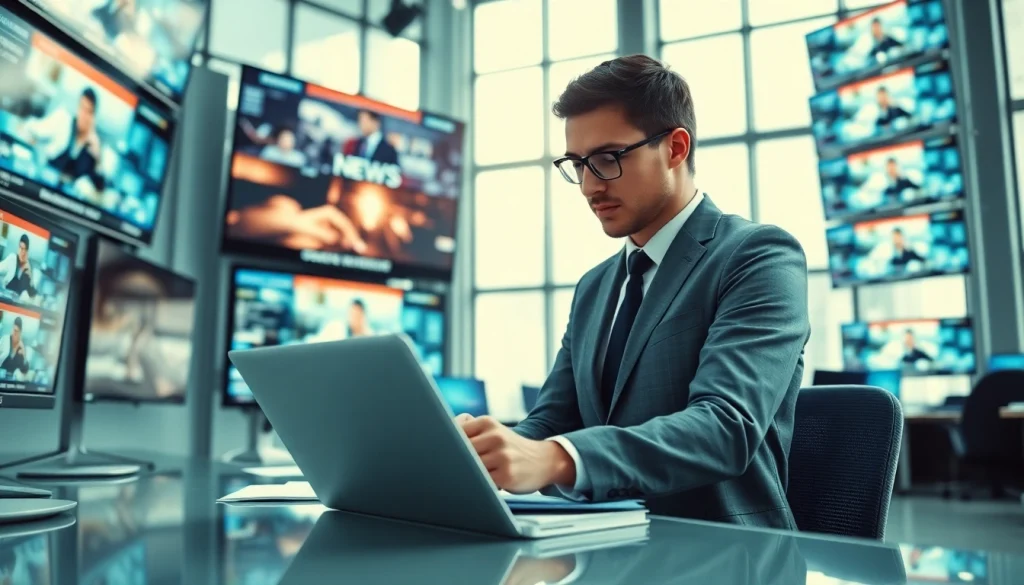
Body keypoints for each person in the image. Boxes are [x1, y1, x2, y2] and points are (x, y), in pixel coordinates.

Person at [455, 55, 810, 529]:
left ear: (675, 148)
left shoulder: (758, 256)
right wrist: (481, 449)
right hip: (603, 547)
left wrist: (558, 458)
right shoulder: (595, 287)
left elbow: (725, 427)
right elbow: (550, 422)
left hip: (724, 552)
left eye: (607, 159)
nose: (587, 186)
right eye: (577, 164)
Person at [21, 88, 104, 189]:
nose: (84, 115)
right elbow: (32, 129)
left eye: (89, 112)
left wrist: (98, 159)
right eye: (82, 108)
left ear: (93, 116)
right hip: (44, 184)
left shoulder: (94, 146)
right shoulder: (64, 121)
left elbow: (99, 187)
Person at [0, 234, 38, 299]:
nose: (20, 251)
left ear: (27, 251)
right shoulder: (12, 259)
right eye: (20, 247)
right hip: (4, 299)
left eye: (23, 249)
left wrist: (30, 279)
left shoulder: (28, 268)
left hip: (15, 304)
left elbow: (32, 295)